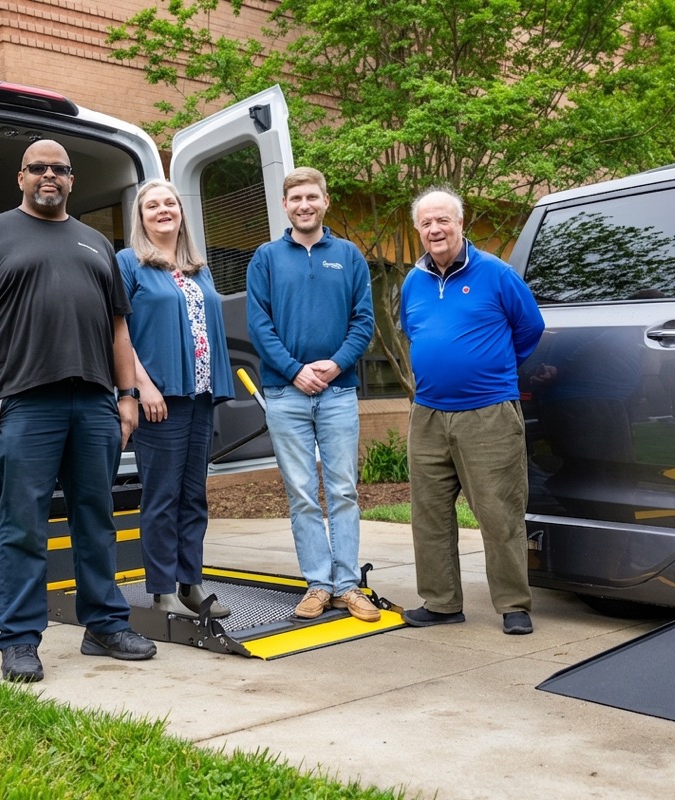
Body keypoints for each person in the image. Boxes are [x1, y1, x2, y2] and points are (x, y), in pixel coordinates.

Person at [0, 139, 156, 683]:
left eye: (59, 169)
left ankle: (105, 625)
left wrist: (128, 394)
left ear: (71, 180)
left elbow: (119, 328)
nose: (49, 175)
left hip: (93, 404)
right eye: (38, 168)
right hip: (24, 403)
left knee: (97, 520)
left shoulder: (94, 244)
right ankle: (19, 640)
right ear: (20, 177)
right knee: (23, 526)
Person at [399, 186, 545, 635]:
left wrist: (493, 370)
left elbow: (530, 328)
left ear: (461, 223)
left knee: (499, 512)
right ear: (418, 230)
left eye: (443, 220)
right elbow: (412, 330)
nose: (435, 229)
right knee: (429, 513)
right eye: (426, 223)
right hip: (427, 414)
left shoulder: (496, 274)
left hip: (488, 414)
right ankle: (442, 602)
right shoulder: (413, 281)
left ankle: (513, 605)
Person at [246, 167, 379, 623]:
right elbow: (259, 326)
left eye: (312, 197)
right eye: (296, 198)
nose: (304, 205)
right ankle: (318, 585)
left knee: (343, 490)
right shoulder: (265, 258)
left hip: (339, 392)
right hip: (285, 394)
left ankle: (347, 586)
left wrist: (337, 362)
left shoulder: (349, 256)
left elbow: (364, 321)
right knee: (302, 493)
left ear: (326, 202)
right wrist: (294, 370)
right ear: (285, 205)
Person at [116, 179, 234, 619]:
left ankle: (192, 583)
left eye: (170, 203)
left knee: (193, 495)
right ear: (140, 217)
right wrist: (142, 387)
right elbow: (119, 332)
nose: (163, 210)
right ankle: (162, 590)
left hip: (200, 395)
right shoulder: (128, 263)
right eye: (152, 205)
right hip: (160, 397)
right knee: (162, 496)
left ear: (181, 213)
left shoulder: (197, 268)